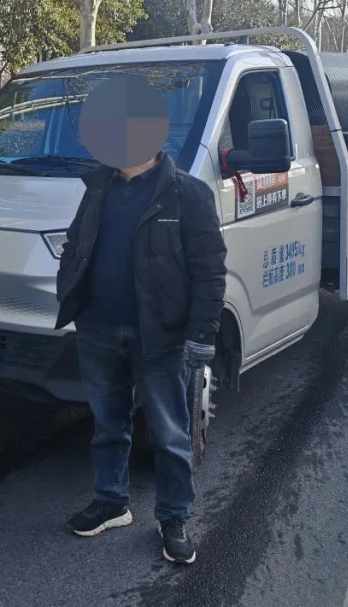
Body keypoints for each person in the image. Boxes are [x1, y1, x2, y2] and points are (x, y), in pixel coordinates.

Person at [55, 75, 227, 565]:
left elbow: (210, 269)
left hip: (161, 337)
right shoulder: (98, 188)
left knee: (170, 433)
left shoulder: (188, 194)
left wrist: (201, 334)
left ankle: (174, 517)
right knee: (108, 424)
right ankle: (111, 502)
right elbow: (76, 245)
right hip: (99, 329)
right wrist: (72, 295)